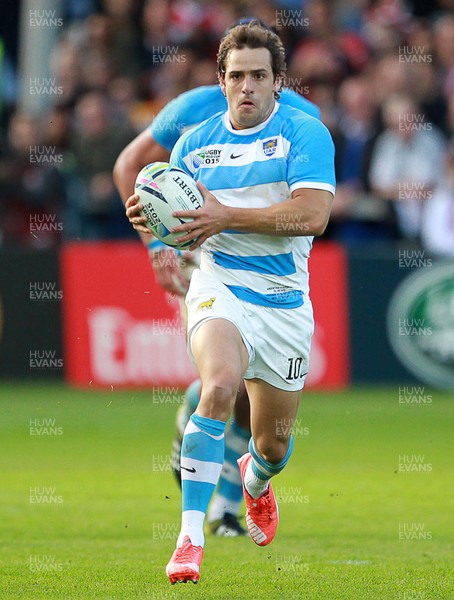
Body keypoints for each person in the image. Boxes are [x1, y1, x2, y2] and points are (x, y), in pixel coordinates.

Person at [125, 21, 335, 583]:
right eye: (236, 75)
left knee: (274, 445)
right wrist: (157, 225)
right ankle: (190, 538)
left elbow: (313, 216)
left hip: (285, 303)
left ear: (278, 82)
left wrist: (227, 215)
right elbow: (187, 223)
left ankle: (256, 480)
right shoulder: (193, 144)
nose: (247, 86)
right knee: (217, 387)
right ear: (221, 80)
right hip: (219, 285)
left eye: (258, 76)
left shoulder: (307, 134)